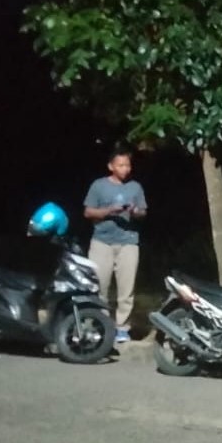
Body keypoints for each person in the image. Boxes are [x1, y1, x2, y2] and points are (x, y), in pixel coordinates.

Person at [83, 146, 147, 344]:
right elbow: (88, 212)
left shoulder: (135, 187)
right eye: (120, 165)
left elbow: (143, 212)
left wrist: (135, 211)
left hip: (128, 242)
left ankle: (122, 327)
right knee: (99, 286)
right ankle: (99, 324)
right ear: (111, 166)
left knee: (126, 290)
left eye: (127, 165)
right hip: (102, 241)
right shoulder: (99, 185)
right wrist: (109, 211)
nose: (125, 169)